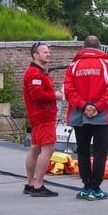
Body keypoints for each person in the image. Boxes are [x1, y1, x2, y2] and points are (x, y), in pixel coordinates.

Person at [64, 35, 108, 200]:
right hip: (101, 115)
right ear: (100, 47)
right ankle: (96, 187)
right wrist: (97, 107)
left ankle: (86, 186)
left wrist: (83, 106)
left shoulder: (74, 66)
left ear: (83, 47)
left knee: (83, 151)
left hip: (80, 115)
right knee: (100, 151)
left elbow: (68, 91)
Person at [22, 41, 63, 197]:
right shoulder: (35, 73)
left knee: (35, 148)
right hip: (43, 116)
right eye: (45, 52)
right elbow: (37, 95)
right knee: (48, 148)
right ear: (35, 55)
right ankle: (38, 185)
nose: (48, 54)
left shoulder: (36, 72)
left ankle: (30, 183)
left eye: (48, 52)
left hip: (37, 116)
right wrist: (56, 96)